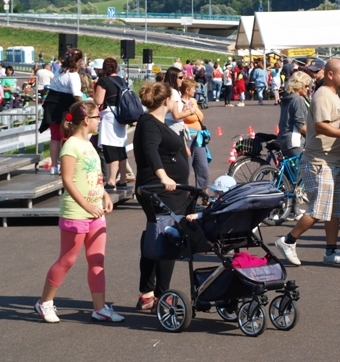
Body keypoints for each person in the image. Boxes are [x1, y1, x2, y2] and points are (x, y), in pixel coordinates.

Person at [35, 100, 124, 323]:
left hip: (96, 214)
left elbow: (95, 176)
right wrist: (86, 205)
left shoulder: (90, 144)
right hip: (76, 213)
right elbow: (67, 180)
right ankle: (44, 303)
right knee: (67, 260)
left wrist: (104, 195)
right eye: (97, 117)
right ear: (86, 120)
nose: (99, 121)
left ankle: (99, 308)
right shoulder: (71, 146)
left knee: (97, 261)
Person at [274, 59, 340, 266]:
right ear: (330, 75)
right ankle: (288, 240)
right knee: (319, 208)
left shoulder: (335, 95)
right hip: (320, 161)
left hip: (335, 161)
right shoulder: (323, 95)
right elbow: (321, 126)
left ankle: (331, 250)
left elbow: (336, 124)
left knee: (334, 210)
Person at [133, 81, 192, 311]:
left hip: (167, 191)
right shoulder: (149, 123)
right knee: (167, 237)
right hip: (160, 190)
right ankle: (161, 294)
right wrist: (163, 176)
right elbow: (150, 150)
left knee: (155, 236)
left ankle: (148, 293)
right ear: (167, 101)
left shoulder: (156, 122)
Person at [40, 49, 85, 173]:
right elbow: (76, 95)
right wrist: (84, 107)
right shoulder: (73, 75)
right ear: (79, 61)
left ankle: (54, 166)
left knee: (55, 136)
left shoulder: (59, 70)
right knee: (66, 136)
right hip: (64, 106)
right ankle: (65, 166)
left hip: (51, 104)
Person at [93, 58, 130, 191]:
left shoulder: (103, 81)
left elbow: (98, 101)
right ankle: (123, 180)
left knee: (110, 147)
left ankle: (111, 180)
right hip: (121, 114)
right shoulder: (122, 80)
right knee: (121, 147)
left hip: (110, 116)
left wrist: (94, 92)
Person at [180, 78, 210, 190]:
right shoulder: (179, 103)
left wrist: (192, 107)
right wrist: (188, 110)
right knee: (186, 168)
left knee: (203, 167)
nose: (195, 91)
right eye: (193, 89)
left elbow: (199, 116)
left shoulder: (193, 101)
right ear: (187, 90)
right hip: (187, 137)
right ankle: (183, 192)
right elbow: (181, 119)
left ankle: (203, 192)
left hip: (199, 138)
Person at [277, 71, 313, 158]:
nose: (308, 89)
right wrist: (315, 133)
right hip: (295, 141)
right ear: (298, 85)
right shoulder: (298, 100)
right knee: (303, 166)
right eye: (306, 86)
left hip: (284, 139)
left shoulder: (287, 98)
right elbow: (300, 125)